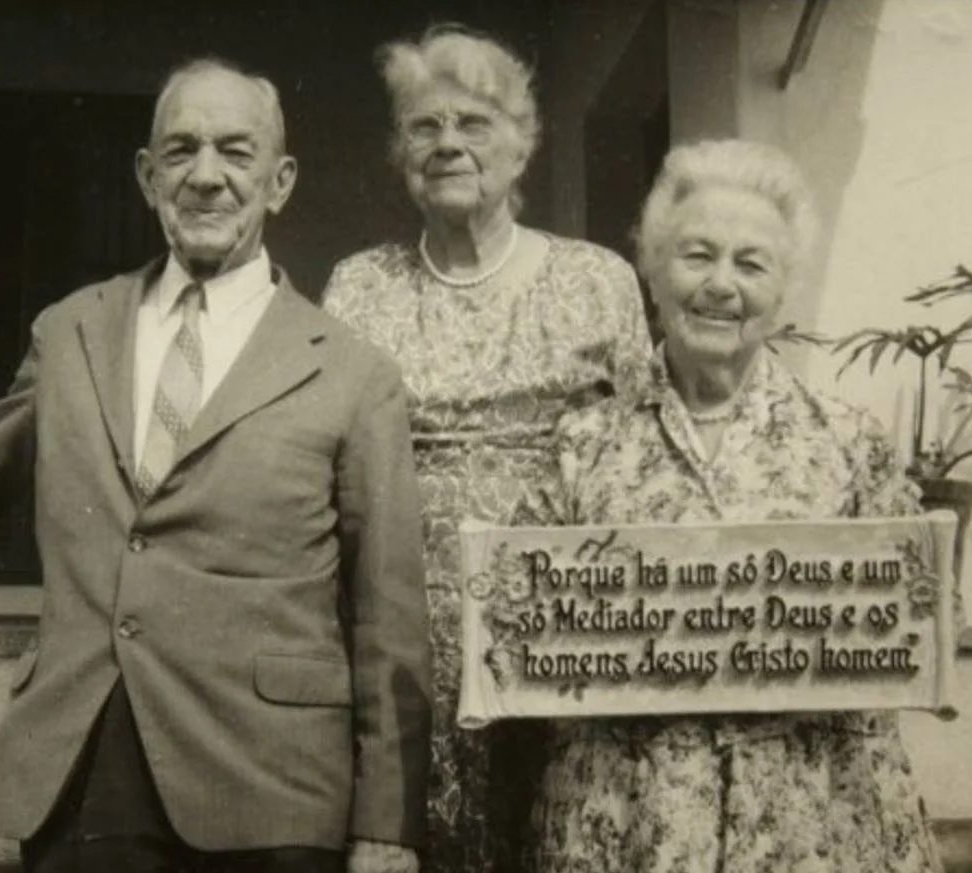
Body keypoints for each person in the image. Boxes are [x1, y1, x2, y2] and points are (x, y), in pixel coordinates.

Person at [0, 57, 431, 873]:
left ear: (280, 180)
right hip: (90, 770)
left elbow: (390, 619)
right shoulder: (68, 332)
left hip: (274, 785)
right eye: (182, 150)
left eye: (235, 151)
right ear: (147, 174)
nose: (206, 176)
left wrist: (387, 823)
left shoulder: (352, 371)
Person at [517, 139, 945, 873]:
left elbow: (921, 616)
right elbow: (517, 618)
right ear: (652, 267)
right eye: (696, 255)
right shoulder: (578, 444)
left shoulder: (849, 441)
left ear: (783, 292)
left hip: (816, 820)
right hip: (625, 820)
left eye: (751, 264)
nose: (721, 285)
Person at [322, 24, 655, 873]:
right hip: (406, 642)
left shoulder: (597, 279)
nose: (447, 144)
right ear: (400, 153)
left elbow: (646, 459)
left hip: (565, 635)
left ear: (522, 144)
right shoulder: (359, 286)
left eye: (473, 122)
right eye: (423, 126)